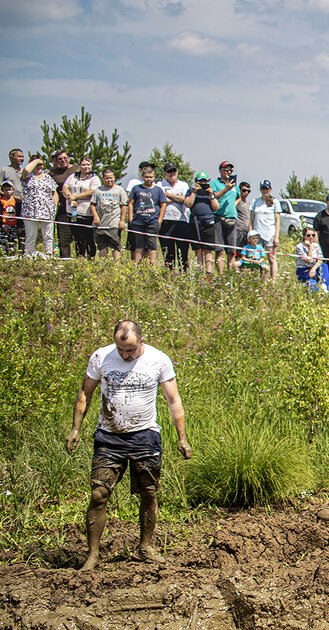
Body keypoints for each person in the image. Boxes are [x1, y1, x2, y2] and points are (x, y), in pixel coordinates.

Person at [66, 320, 191, 570]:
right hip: (108, 436)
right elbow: (85, 392)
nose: (125, 355)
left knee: (148, 492)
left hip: (144, 436)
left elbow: (173, 400)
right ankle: (93, 555)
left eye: (130, 351)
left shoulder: (159, 360)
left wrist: (182, 437)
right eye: (121, 349)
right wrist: (76, 427)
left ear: (141, 342)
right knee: (98, 494)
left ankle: (145, 547)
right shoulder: (101, 357)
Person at [127, 162, 168, 265]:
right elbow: (130, 203)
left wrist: (159, 221)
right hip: (138, 222)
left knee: (152, 245)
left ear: (154, 177)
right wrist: (131, 218)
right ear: (142, 176)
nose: (149, 179)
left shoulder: (158, 190)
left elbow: (163, 205)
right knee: (138, 245)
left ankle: (152, 267)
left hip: (152, 222)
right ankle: (137, 267)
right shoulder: (136, 188)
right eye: (146, 177)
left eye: (151, 177)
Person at [63, 157, 100, 260]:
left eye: (88, 164)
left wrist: (76, 196)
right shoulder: (72, 177)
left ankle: (90, 258)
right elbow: (65, 187)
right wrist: (70, 198)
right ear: (79, 166)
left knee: (88, 237)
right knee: (77, 237)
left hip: (87, 212)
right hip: (73, 211)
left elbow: (93, 191)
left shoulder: (94, 178)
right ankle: (79, 257)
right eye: (83, 165)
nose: (86, 167)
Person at [19, 154, 57, 257]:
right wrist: (36, 161)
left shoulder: (48, 177)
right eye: (36, 164)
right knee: (31, 236)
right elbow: (26, 170)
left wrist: (54, 207)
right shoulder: (27, 176)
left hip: (47, 211)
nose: (39, 166)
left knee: (48, 236)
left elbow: (54, 193)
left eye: (41, 164)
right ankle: (28, 255)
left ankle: (50, 255)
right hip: (31, 211)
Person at [156, 164, 190, 272]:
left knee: (183, 252)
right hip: (165, 221)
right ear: (165, 173)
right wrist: (176, 198)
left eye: (174, 171)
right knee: (167, 252)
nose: (172, 173)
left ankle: (184, 275)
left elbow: (185, 199)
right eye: (169, 171)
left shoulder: (183, 185)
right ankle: (169, 275)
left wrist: (167, 195)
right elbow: (159, 200)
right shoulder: (159, 184)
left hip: (182, 221)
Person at [184, 172, 219, 273]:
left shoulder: (211, 193)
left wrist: (211, 194)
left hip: (209, 223)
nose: (203, 183)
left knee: (208, 249)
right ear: (196, 181)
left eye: (205, 181)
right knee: (198, 249)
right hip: (195, 223)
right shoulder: (190, 191)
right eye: (201, 181)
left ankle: (208, 272)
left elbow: (216, 207)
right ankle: (199, 271)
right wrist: (195, 192)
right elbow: (188, 204)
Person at [91, 169, 128, 260]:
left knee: (116, 245)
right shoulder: (98, 190)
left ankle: (116, 266)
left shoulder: (120, 190)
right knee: (102, 246)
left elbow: (124, 206)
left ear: (114, 177)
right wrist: (95, 216)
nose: (109, 180)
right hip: (101, 223)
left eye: (111, 178)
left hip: (114, 223)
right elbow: (93, 204)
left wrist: (122, 221)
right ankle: (103, 265)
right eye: (106, 178)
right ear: (103, 179)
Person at [48, 149, 79, 259]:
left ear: (68, 158)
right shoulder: (53, 173)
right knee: (63, 236)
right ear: (56, 161)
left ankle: (81, 258)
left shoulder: (76, 168)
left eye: (65, 158)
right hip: (62, 208)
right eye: (60, 159)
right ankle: (65, 258)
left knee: (79, 234)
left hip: (78, 206)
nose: (63, 160)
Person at [212, 162, 241, 271]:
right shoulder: (214, 183)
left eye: (231, 171)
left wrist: (234, 204)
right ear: (220, 170)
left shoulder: (235, 185)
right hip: (218, 218)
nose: (229, 172)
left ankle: (229, 275)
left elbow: (239, 197)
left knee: (231, 251)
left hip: (232, 219)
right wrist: (226, 189)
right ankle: (220, 276)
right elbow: (213, 197)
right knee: (219, 250)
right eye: (226, 170)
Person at [251, 180, 283, 280]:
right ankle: (258, 279)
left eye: (267, 188)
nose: (265, 190)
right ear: (260, 189)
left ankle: (273, 280)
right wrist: (250, 233)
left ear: (270, 189)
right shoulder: (255, 202)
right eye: (263, 188)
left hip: (269, 234)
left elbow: (277, 221)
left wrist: (276, 236)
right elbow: (251, 219)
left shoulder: (275, 202)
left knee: (271, 258)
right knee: (256, 257)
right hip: (257, 234)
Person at [295, 227, 328, 291]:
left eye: (313, 235)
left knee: (324, 266)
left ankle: (324, 285)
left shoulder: (316, 246)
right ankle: (315, 293)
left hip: (314, 268)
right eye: (308, 235)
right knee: (311, 283)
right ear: (304, 236)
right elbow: (309, 260)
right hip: (304, 270)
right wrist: (310, 247)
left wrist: (313, 269)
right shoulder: (299, 247)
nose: (311, 237)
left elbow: (320, 260)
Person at [0, 180, 18, 252]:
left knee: (13, 243)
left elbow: (19, 213)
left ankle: (13, 254)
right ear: (2, 191)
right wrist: (2, 225)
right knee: (3, 243)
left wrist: (20, 226)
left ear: (13, 190)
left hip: (14, 225)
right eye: (5, 190)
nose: (7, 192)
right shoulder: (1, 201)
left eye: (9, 189)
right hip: (4, 225)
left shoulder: (16, 201)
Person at [234, 181, 252, 249]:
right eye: (244, 190)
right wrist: (239, 198)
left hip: (246, 230)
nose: (246, 193)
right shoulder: (237, 200)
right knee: (238, 251)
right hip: (239, 229)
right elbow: (232, 207)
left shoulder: (248, 203)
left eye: (248, 191)